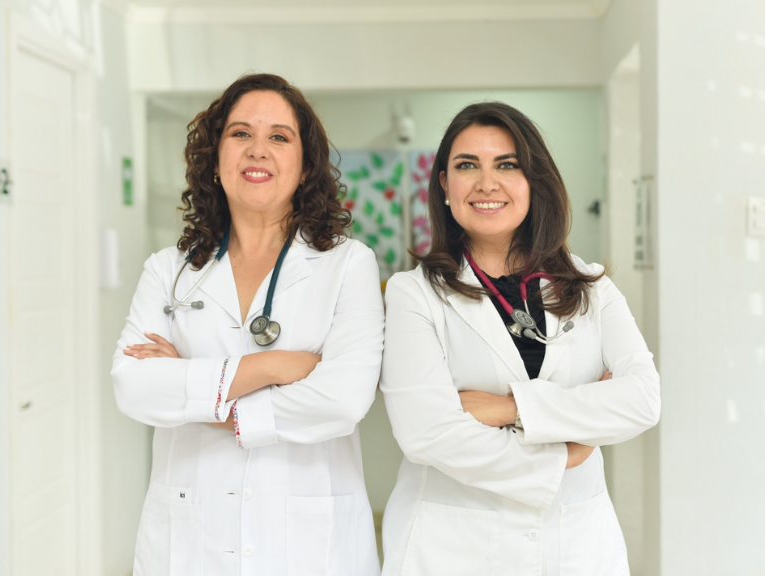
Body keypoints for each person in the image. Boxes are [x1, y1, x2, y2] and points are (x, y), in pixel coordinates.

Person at [112, 73, 384, 576]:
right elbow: (134, 387)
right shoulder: (169, 271)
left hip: (306, 543)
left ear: (305, 166)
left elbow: (343, 400)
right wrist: (275, 366)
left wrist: (195, 392)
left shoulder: (348, 264)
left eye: (279, 136)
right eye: (241, 133)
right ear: (215, 160)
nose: (258, 149)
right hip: (191, 538)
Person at [379, 102, 660, 576]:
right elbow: (426, 433)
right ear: (444, 184)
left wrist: (509, 408)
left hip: (576, 547)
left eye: (507, 165)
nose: (487, 183)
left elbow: (642, 400)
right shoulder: (414, 294)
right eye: (467, 165)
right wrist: (567, 452)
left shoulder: (592, 287)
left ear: (535, 180)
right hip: (452, 549)